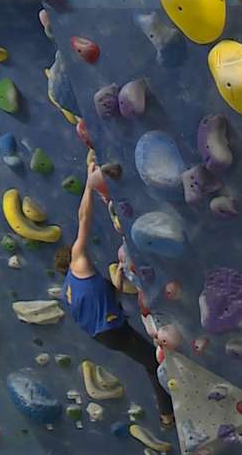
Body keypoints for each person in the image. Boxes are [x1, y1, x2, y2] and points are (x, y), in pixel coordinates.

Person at [55, 161, 174, 427]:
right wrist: (88, 185)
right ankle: (167, 415)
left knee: (150, 360)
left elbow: (113, 296)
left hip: (107, 333)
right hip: (112, 331)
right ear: (72, 261)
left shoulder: (69, 291)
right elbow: (83, 219)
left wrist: (119, 275)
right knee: (153, 364)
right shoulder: (78, 264)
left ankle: (168, 413)